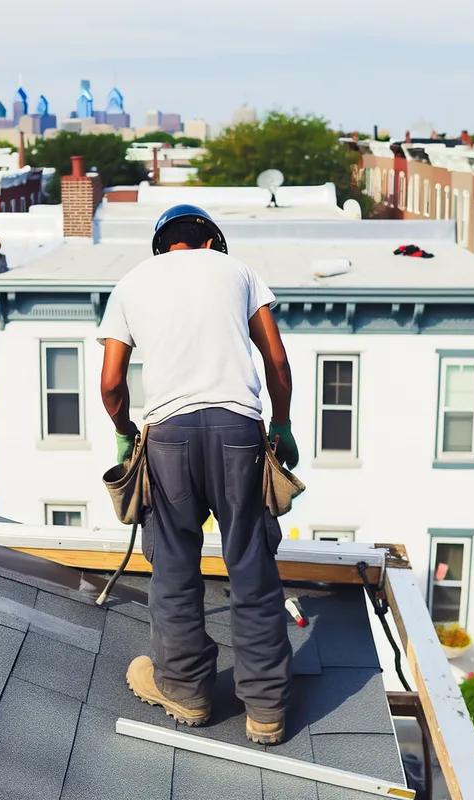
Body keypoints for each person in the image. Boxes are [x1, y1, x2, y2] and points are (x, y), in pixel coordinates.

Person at [97, 204, 298, 744]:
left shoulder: (132, 283)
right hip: (238, 431)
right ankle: (266, 710)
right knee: (251, 566)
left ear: (164, 246)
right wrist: (280, 422)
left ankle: (186, 693)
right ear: (212, 242)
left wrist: (124, 429)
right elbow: (275, 363)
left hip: (168, 439)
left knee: (174, 567)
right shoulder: (240, 272)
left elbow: (112, 382)